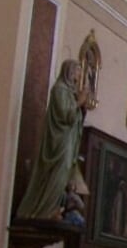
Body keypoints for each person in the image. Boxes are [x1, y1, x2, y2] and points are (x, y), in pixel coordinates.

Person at [16, 59, 88, 220]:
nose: (79, 75)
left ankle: (52, 208)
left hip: (67, 142)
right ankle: (43, 210)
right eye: (77, 71)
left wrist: (81, 108)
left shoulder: (70, 92)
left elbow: (75, 120)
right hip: (59, 143)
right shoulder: (59, 90)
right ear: (69, 71)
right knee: (57, 174)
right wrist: (78, 102)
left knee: (62, 176)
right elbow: (64, 115)